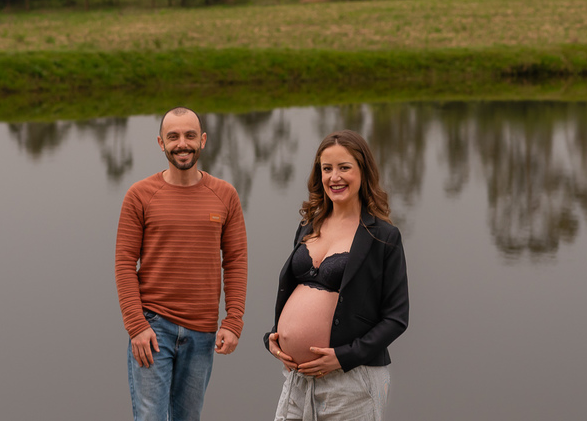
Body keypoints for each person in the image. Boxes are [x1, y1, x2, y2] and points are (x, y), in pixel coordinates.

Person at [114, 107, 248, 421]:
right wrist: (136, 326)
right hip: (153, 328)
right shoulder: (140, 195)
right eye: (173, 136)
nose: (182, 143)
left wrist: (233, 320)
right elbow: (123, 264)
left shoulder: (225, 195)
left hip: (202, 331)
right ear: (161, 143)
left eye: (189, 135)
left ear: (203, 140)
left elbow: (236, 261)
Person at [264, 130, 409, 421]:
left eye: (344, 168)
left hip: (351, 382)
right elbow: (296, 291)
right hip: (298, 381)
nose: (334, 177)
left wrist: (343, 357)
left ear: (363, 171)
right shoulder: (308, 225)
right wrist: (273, 338)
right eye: (327, 169)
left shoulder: (383, 236)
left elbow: (396, 318)